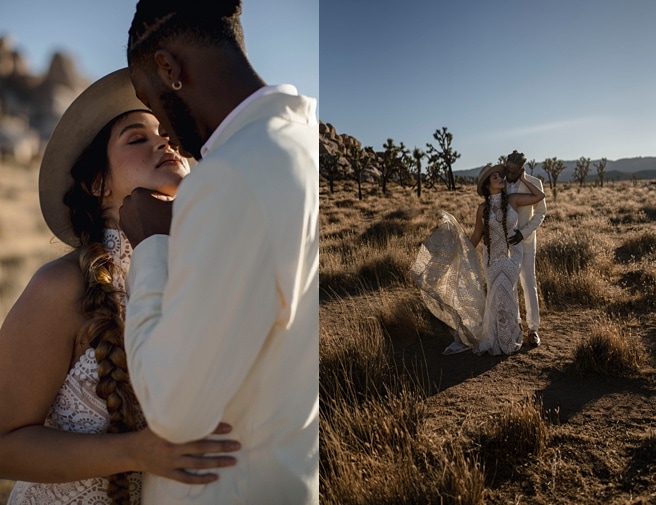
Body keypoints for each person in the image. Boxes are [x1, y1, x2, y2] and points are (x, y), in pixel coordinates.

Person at [0, 68, 240, 505]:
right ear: (98, 183)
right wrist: (135, 453)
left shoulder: (210, 273)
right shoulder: (62, 286)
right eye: (137, 138)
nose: (163, 142)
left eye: (165, 133)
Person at [120, 1, 319, 504]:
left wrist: (150, 247)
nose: (164, 132)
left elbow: (174, 409)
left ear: (169, 68)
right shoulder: (300, 142)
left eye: (152, 100)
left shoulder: (228, 178)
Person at [469, 164, 545, 355]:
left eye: (499, 176)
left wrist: (523, 178)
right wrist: (462, 251)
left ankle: (512, 336)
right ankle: (498, 336)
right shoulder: (482, 209)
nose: (500, 178)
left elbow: (539, 197)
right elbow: (477, 235)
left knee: (507, 293)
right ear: (488, 186)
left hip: (512, 256)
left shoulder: (513, 200)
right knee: (496, 297)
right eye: (495, 177)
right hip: (491, 258)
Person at [504, 150, 547, 346]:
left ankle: (533, 329)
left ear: (522, 169)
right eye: (508, 169)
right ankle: (515, 325)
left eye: (514, 171)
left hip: (526, 241)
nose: (509, 174)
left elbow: (540, 213)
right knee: (509, 284)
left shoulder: (535, 183)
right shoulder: (501, 182)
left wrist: (524, 232)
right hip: (505, 243)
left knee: (529, 283)